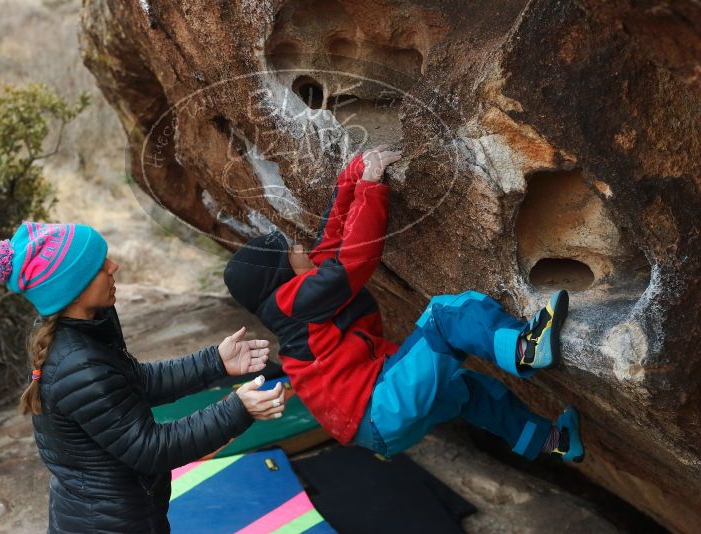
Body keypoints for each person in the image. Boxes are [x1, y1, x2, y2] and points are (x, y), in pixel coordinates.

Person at [222, 145, 584, 462]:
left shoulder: (298, 301)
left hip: (377, 425)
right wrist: (371, 188)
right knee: (445, 317)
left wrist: (352, 179)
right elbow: (353, 260)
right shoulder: (293, 301)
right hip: (380, 407)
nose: (300, 247)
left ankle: (556, 441)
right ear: (281, 278)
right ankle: (527, 347)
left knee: (469, 391)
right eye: (291, 251)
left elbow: (330, 239)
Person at [0, 221, 285, 533]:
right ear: (73, 288)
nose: (114, 266)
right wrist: (236, 409)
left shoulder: (85, 327)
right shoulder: (78, 365)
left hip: (109, 511)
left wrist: (215, 361)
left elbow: (136, 381)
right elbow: (150, 449)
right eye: (99, 266)